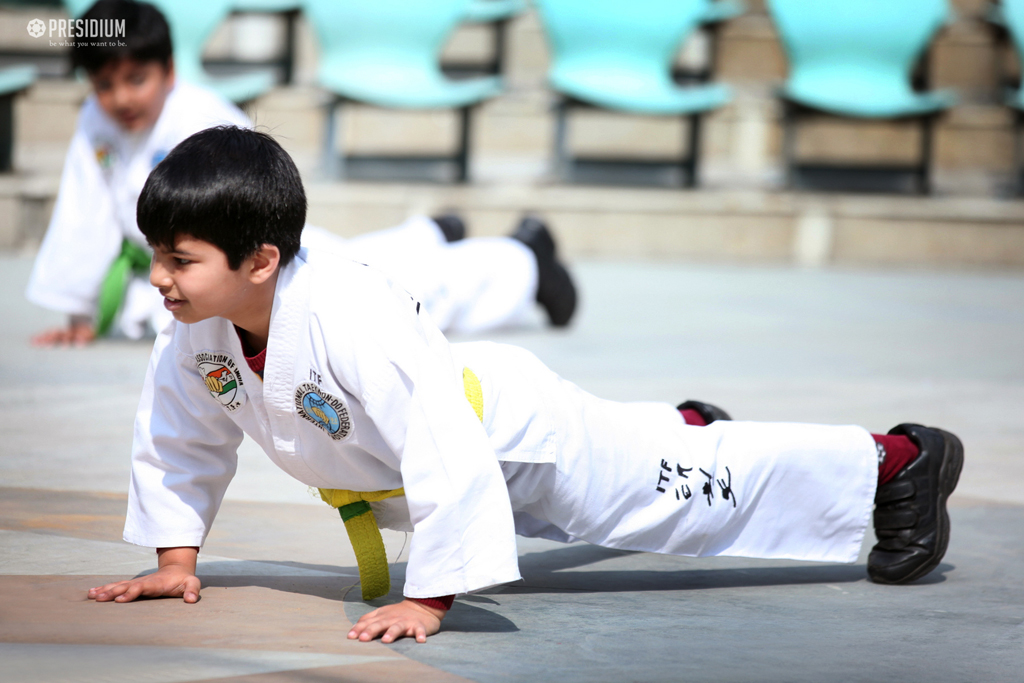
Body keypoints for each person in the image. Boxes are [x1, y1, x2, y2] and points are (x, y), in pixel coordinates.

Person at [87, 127, 963, 645]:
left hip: (510, 435)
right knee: (656, 453)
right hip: (446, 458)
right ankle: (681, 421)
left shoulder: (351, 313)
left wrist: (429, 597)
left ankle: (895, 461)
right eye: (158, 255)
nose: (157, 278)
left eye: (179, 259)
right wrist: (176, 557)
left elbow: (439, 438)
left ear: (260, 259)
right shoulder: (197, 328)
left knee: (682, 502)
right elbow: (178, 437)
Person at [26, 0, 575, 346]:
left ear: (169, 71)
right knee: (372, 263)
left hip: (266, 254)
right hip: (209, 269)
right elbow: (84, 212)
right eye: (103, 83)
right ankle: (431, 233)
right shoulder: (95, 124)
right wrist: (78, 311)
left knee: (396, 300)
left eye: (136, 78)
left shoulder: (199, 117)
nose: (119, 97)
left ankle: (523, 260)